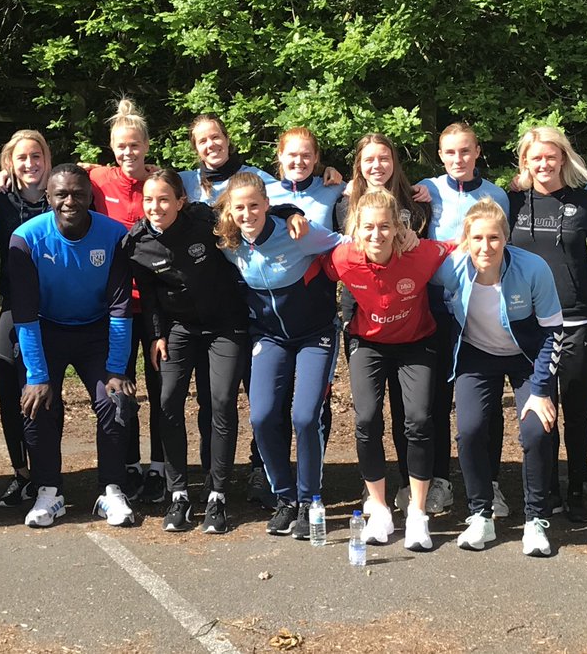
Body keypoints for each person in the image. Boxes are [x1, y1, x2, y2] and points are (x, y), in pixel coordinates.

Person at [323, 189, 454, 551]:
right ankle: (379, 508)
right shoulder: (343, 257)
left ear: (398, 227)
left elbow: (464, 244)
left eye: (385, 226)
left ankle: (417, 512)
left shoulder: (421, 253)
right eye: (368, 227)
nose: (376, 234)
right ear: (355, 229)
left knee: (418, 421)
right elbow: (308, 261)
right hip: (369, 344)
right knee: (366, 421)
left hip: (417, 343)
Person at [215, 171, 344, 540]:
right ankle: (285, 498)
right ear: (229, 210)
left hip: (314, 334)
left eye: (255, 205)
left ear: (267, 205)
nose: (247, 213)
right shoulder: (228, 242)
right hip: (269, 337)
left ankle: (309, 499)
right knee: (262, 415)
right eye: (239, 207)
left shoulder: (297, 233)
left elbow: (345, 246)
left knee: (305, 416)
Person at [8, 164, 136, 528]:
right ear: (47, 197)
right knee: (37, 402)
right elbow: (25, 313)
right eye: (61, 194)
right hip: (46, 329)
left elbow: (120, 307)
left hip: (96, 331)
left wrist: (116, 368)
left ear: (90, 197)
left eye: (78, 194)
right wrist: (36, 374)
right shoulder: (26, 238)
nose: (70, 201)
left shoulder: (114, 235)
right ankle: (49, 491)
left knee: (116, 400)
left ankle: (111, 490)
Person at [433, 200, 563, 556]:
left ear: (506, 238)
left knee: (536, 429)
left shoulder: (533, 269)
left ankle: (536, 520)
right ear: (466, 240)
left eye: (493, 237)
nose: (485, 246)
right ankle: (480, 515)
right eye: (477, 238)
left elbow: (554, 331)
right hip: (476, 356)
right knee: (471, 429)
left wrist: (540, 390)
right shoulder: (452, 268)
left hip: (526, 357)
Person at [123, 170, 251, 533]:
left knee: (222, 402)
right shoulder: (137, 243)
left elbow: (252, 212)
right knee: (166, 403)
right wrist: (156, 334)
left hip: (225, 327)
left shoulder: (205, 220)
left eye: (164, 199)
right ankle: (178, 493)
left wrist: (290, 212)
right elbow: (147, 297)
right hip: (179, 329)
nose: (156, 207)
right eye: (149, 200)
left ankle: (217, 495)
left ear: (181, 201)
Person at [414, 123, 511, 516]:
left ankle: (491, 483)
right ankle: (439, 481)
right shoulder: (426, 190)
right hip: (436, 309)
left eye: (466, 151)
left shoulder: (498, 195)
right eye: (451, 152)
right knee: (435, 399)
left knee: (486, 404)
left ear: (477, 152)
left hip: (482, 310)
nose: (459, 159)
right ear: (440, 155)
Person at [508, 126, 587, 523]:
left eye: (550, 156)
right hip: (532, 326)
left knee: (577, 410)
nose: (543, 164)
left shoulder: (585, 201)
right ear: (525, 162)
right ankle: (550, 490)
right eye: (535, 158)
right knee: (544, 410)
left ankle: (577, 488)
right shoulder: (511, 202)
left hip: (577, 318)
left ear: (563, 157)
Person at [88, 99, 166, 503]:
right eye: (121, 146)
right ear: (112, 147)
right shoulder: (97, 179)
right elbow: (53, 177)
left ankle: (159, 466)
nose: (128, 152)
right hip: (115, 306)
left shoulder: (160, 182)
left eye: (135, 145)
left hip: (157, 304)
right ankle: (130, 464)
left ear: (147, 146)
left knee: (159, 386)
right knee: (121, 384)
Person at [0, 130, 52, 508]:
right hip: (13, 303)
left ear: (47, 159)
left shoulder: (62, 194)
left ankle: (47, 471)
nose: (29, 164)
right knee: (6, 373)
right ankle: (20, 473)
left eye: (36, 156)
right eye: (21, 157)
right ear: (9, 162)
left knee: (43, 382)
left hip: (54, 305)